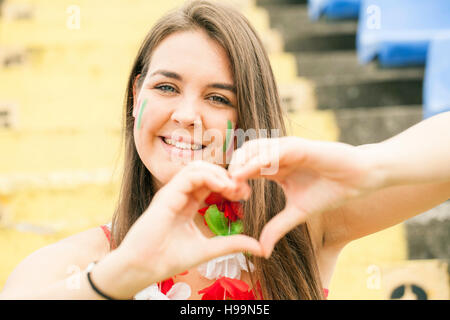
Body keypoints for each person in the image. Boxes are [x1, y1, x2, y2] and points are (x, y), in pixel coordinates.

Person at [1, 0, 449, 300]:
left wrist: (364, 165)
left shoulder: (300, 227)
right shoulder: (73, 266)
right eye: (166, 87)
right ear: (137, 94)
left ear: (251, 118)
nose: (187, 115)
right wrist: (119, 276)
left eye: (218, 98)